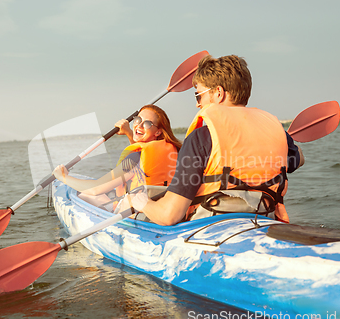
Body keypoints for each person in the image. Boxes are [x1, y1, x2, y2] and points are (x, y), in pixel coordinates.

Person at [129, 55, 304, 225]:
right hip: (263, 220)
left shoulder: (201, 138)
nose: (198, 104)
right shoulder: (277, 133)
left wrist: (142, 202)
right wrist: (283, 140)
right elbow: (299, 160)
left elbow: (169, 216)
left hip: (208, 227)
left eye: (199, 95)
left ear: (219, 93)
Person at [53, 104, 181, 211]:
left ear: (158, 131)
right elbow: (144, 160)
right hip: (162, 211)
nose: (139, 125)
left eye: (147, 124)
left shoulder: (133, 160)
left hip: (133, 216)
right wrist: (128, 132)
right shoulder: (175, 152)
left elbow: (95, 189)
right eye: (137, 120)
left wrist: (63, 177)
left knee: (81, 195)